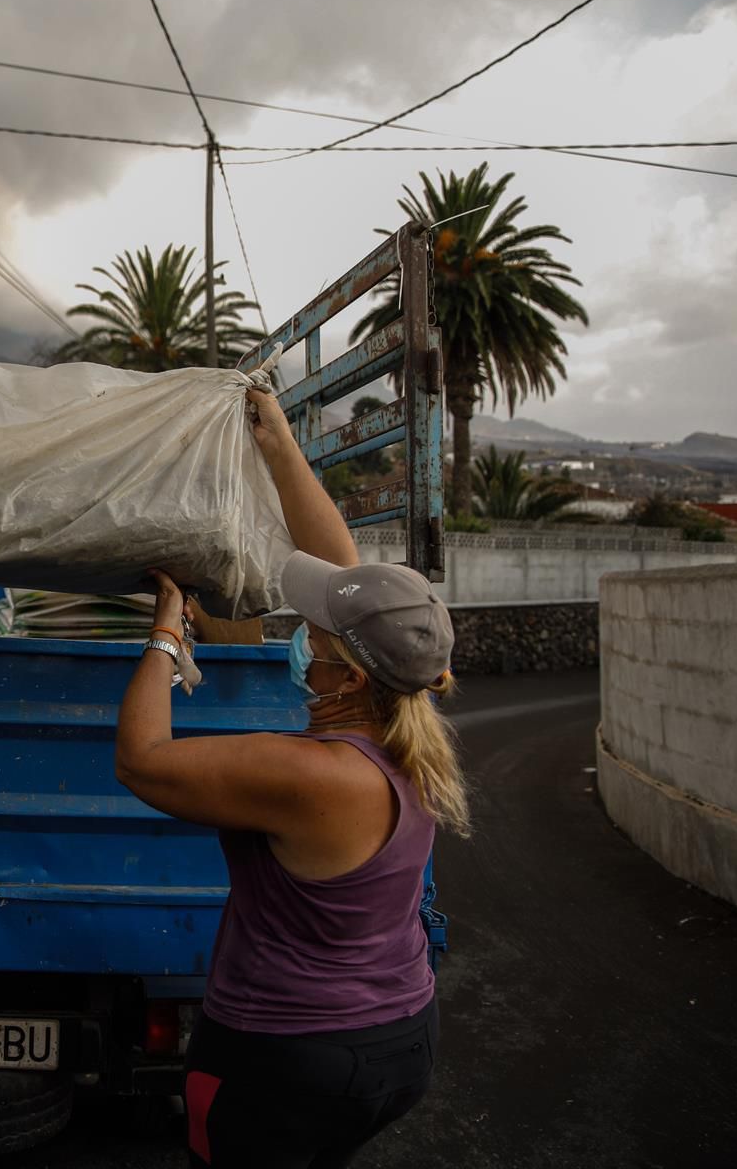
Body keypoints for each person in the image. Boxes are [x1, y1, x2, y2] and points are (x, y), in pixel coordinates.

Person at [114, 387, 468, 1169]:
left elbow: (142, 759)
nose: (298, 641)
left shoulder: (313, 777)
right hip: (397, 1036)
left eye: (310, 634)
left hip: (292, 1054)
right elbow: (348, 576)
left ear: (341, 679)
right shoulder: (414, 736)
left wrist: (167, 628)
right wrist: (279, 448)